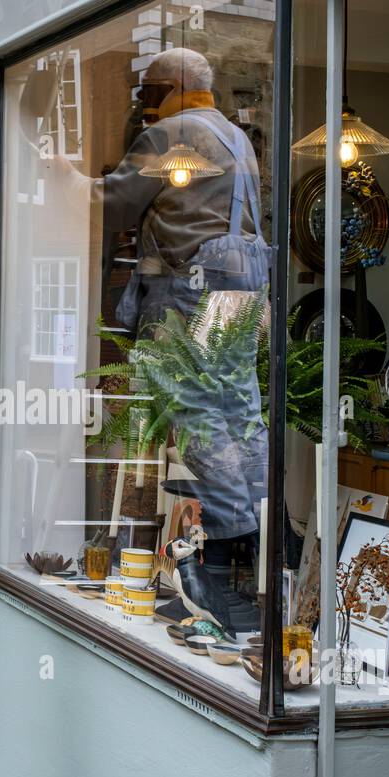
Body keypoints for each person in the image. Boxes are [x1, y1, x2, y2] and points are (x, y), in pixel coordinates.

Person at [80, 48, 270, 630]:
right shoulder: (236, 137)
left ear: (170, 88)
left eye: (147, 92)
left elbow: (111, 204)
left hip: (189, 290)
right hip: (243, 289)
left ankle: (208, 551)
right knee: (237, 405)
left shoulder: (172, 133)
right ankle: (259, 538)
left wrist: (62, 180)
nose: (142, 104)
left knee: (193, 408)